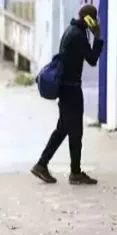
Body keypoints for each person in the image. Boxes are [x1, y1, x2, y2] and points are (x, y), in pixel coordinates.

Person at [31, 4, 103, 185]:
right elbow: (92, 59)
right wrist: (98, 37)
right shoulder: (78, 36)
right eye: (94, 19)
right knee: (75, 131)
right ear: (89, 19)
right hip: (71, 90)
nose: (96, 22)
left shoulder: (72, 30)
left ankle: (42, 164)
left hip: (67, 89)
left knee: (63, 129)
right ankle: (74, 173)